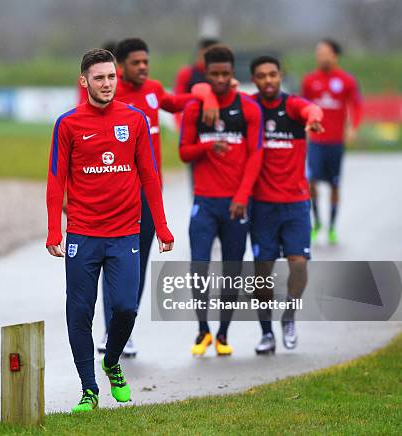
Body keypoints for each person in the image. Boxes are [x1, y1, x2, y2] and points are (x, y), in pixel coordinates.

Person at [46, 48, 174, 412]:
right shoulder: (68, 124)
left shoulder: (133, 120)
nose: (107, 84)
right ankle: (89, 389)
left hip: (124, 233)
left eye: (111, 77)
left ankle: (112, 360)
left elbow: (149, 177)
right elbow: (56, 181)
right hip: (83, 235)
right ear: (84, 81)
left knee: (125, 307)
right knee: (79, 311)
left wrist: (162, 226)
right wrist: (55, 231)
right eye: (99, 78)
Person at [96, 38, 218, 357]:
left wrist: (204, 91)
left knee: (137, 264)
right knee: (114, 263)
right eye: (136, 63)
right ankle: (110, 330)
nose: (143, 67)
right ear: (120, 67)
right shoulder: (109, 95)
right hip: (117, 194)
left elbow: (179, 103)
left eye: (145, 62)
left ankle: (124, 330)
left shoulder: (153, 89)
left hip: (150, 195)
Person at [179, 45, 263, 357]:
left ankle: (224, 333)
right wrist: (208, 148)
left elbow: (256, 156)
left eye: (225, 74)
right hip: (204, 202)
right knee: (199, 266)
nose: (220, 79)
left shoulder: (249, 109)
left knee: (232, 268)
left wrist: (242, 196)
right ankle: (203, 330)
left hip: (236, 204)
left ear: (232, 74)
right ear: (206, 74)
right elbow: (184, 152)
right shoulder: (194, 109)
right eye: (214, 74)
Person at [249, 55, 324, 354]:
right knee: (262, 272)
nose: (268, 80)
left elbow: (311, 107)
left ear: (281, 76)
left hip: (295, 204)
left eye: (273, 74)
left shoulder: (292, 106)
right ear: (254, 80)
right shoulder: (250, 107)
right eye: (262, 76)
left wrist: (315, 117)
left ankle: (289, 316)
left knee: (299, 265)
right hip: (262, 206)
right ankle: (266, 332)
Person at [302, 39, 362, 244]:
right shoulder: (310, 80)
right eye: (318, 53)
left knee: (335, 185)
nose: (321, 56)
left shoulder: (346, 80)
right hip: (316, 141)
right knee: (311, 182)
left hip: (336, 141)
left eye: (325, 53)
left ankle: (332, 227)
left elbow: (357, 105)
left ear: (335, 55)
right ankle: (317, 221)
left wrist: (353, 128)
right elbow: (303, 105)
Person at [173, 38, 220, 128]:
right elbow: (177, 99)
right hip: (192, 122)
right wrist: (180, 124)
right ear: (201, 52)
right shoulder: (187, 73)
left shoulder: (222, 74)